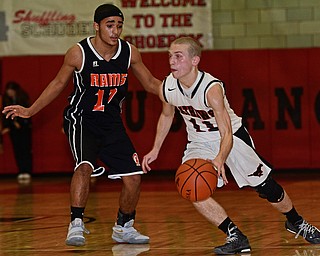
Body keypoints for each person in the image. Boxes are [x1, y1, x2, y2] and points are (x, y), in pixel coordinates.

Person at [142, 37, 320, 255]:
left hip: (231, 137)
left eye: (178, 56)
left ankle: (296, 222)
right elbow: (166, 115)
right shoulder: (168, 86)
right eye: (170, 55)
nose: (172, 61)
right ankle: (235, 235)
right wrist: (155, 149)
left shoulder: (211, 88)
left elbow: (226, 132)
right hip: (198, 141)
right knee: (191, 187)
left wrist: (219, 158)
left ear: (195, 60)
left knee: (266, 187)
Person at [3, 4, 161, 247]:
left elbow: (151, 82)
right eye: (110, 25)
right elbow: (57, 84)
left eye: (119, 25)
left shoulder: (130, 53)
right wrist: (30, 110)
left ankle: (124, 226)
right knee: (84, 166)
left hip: (111, 123)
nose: (115, 31)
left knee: (134, 177)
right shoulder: (79, 53)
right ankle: (76, 222)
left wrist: (180, 93)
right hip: (81, 119)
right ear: (96, 26)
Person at [2, 81, 33, 182]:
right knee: (17, 149)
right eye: (8, 91)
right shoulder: (6, 100)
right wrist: (9, 125)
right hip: (13, 129)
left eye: (11, 90)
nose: (9, 93)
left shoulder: (23, 98)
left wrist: (21, 122)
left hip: (24, 128)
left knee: (26, 149)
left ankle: (27, 170)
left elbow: (28, 113)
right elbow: (4, 115)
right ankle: (21, 170)